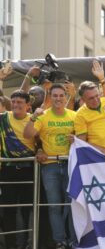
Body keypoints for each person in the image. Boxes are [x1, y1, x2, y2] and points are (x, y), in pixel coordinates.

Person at [23, 83, 76, 249]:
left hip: (69, 164)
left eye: (61, 95)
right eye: (55, 95)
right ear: (49, 97)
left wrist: (76, 139)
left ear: (66, 97)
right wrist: (33, 117)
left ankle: (73, 240)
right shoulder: (43, 116)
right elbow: (28, 134)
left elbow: (85, 137)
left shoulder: (74, 115)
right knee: (54, 206)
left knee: (72, 205)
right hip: (49, 166)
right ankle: (59, 241)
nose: (58, 98)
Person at [0, 90, 35, 249]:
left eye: (20, 102)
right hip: (8, 170)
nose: (15, 105)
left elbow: (40, 141)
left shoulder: (34, 120)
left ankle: (28, 243)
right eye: (13, 102)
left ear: (28, 105)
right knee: (9, 209)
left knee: (28, 209)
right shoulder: (3, 119)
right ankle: (11, 245)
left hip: (30, 170)